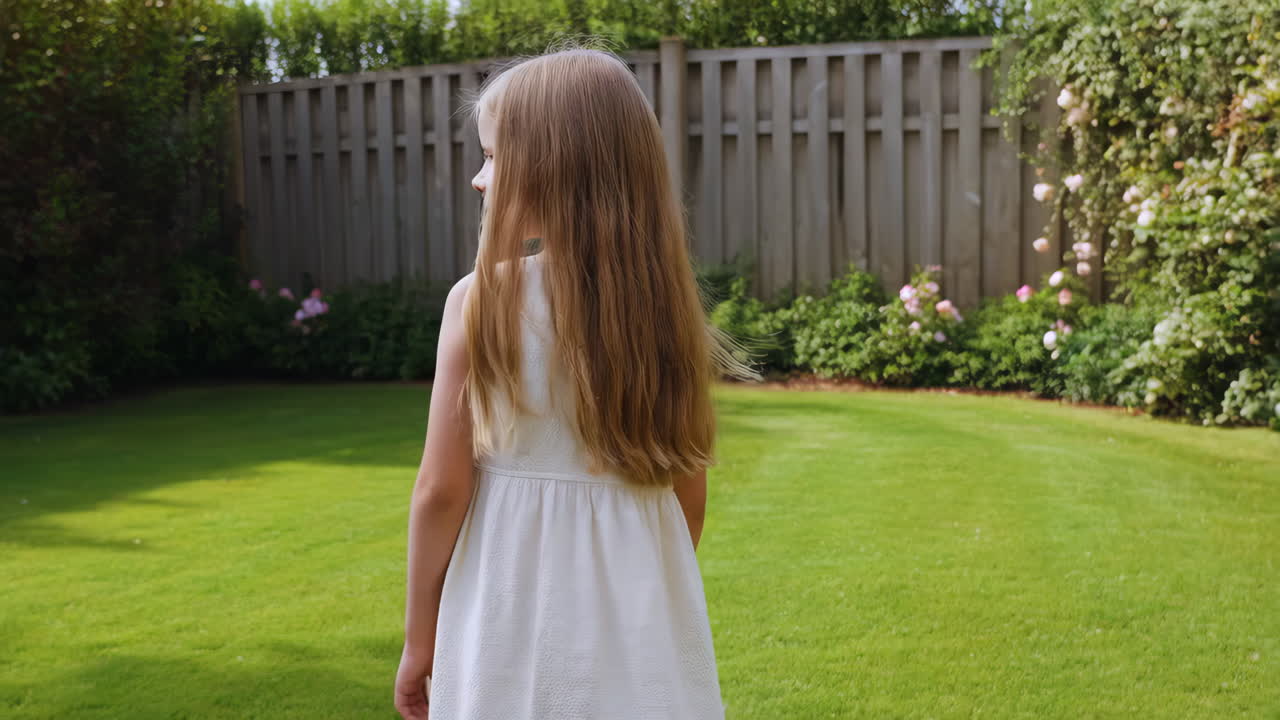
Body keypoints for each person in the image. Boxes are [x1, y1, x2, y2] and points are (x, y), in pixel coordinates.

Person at [393, 47, 755, 720]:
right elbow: (688, 497)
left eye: (494, 156)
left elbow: (441, 491)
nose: (479, 178)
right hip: (640, 636)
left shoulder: (482, 302)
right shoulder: (666, 314)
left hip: (507, 614)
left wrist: (421, 639)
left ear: (552, 169)